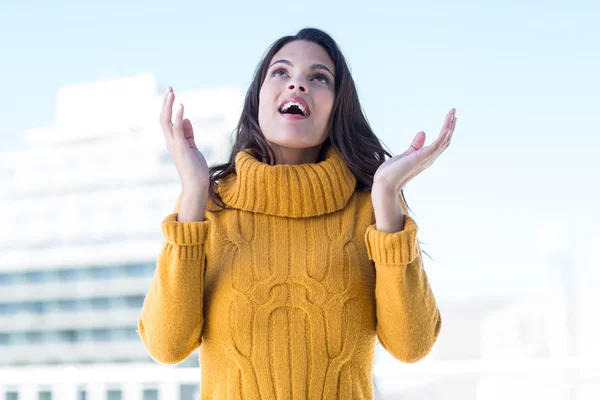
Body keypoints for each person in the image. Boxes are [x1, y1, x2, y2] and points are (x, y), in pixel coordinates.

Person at [137, 27, 455, 400]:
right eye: (281, 72)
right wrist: (193, 191)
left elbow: (411, 346)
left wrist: (386, 195)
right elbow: (166, 345)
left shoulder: (371, 209)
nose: (297, 85)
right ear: (258, 98)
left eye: (318, 77)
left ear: (338, 106)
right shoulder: (208, 204)